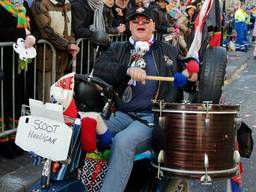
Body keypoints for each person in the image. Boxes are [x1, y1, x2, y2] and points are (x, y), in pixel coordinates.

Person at [93, 7, 198, 191]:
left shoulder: (168, 50)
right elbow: (100, 68)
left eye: (145, 20)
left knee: (123, 141)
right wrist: (126, 70)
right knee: (85, 129)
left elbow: (191, 70)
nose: (140, 24)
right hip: (122, 113)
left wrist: (190, 73)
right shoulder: (117, 48)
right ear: (128, 25)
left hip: (152, 117)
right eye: (135, 21)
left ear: (153, 25)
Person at [0, 0, 37, 158]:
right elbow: (1, 32)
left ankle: (16, 138)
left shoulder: (24, 6)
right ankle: (3, 141)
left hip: (22, 64)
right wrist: (23, 34)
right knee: (4, 100)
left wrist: (33, 37)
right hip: (4, 62)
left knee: (18, 100)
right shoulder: (1, 6)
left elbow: (34, 29)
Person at [31, 0, 80, 101]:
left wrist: (72, 43)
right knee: (46, 100)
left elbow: (70, 30)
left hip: (62, 61)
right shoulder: (40, 3)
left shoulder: (66, 2)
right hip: (46, 59)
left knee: (59, 101)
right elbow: (46, 31)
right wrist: (67, 45)